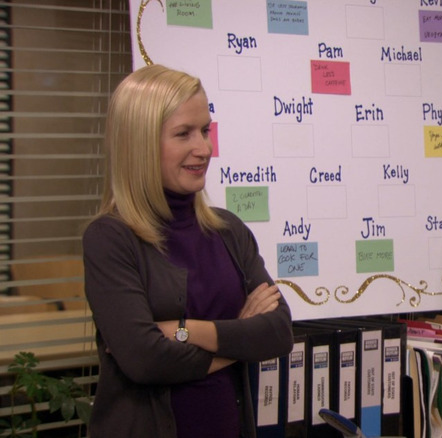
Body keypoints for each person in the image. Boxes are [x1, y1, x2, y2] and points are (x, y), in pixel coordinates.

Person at [83, 64, 294, 438]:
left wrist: (182, 331)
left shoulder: (228, 230)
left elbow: (278, 332)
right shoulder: (110, 238)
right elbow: (145, 360)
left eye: (205, 131)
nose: (204, 148)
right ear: (140, 143)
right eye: (184, 134)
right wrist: (241, 337)